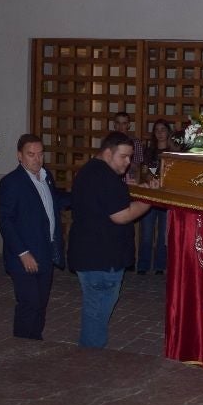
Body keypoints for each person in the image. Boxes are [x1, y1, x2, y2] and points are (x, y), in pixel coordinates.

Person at [68, 131, 152, 348]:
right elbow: (121, 215)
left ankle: (89, 355)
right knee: (96, 315)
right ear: (107, 153)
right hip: (101, 259)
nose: (128, 162)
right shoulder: (104, 176)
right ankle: (91, 361)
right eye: (123, 156)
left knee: (95, 313)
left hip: (91, 255)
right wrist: (148, 201)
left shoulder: (89, 171)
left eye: (130, 157)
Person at [0, 134, 69, 340]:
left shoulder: (46, 176)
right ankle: (21, 346)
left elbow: (54, 202)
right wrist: (23, 252)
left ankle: (35, 342)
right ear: (20, 156)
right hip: (24, 257)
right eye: (31, 154)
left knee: (41, 304)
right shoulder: (11, 182)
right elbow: (6, 220)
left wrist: (83, 197)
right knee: (29, 304)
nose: (37, 159)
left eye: (40, 154)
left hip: (45, 251)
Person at [136, 119, 179, 274]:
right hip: (150, 196)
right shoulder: (149, 151)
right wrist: (151, 178)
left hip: (166, 197)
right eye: (157, 130)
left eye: (163, 129)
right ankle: (143, 265)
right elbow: (146, 172)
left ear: (168, 132)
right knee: (147, 233)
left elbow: (175, 175)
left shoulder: (173, 151)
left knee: (163, 235)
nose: (160, 133)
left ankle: (160, 265)